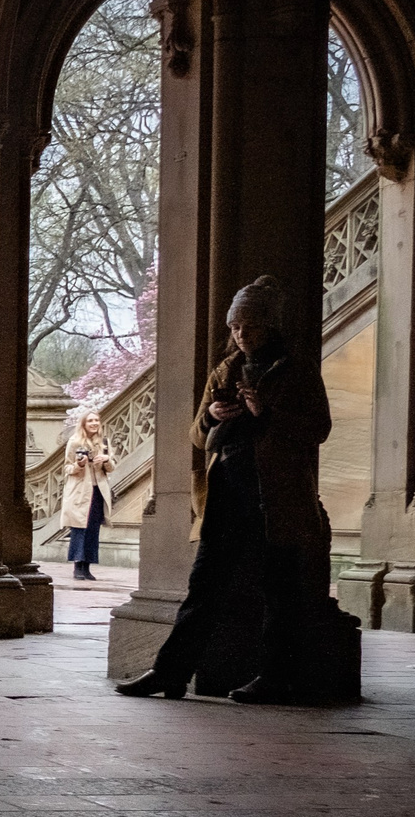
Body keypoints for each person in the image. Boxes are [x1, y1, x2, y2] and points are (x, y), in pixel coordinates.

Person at [118, 277, 333, 705]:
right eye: (235, 326)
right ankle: (170, 672)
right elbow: (197, 436)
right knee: (204, 585)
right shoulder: (226, 369)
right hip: (227, 494)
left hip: (279, 497)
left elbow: (318, 429)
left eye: (250, 325)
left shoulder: (298, 369)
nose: (241, 334)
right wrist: (215, 414)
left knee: (280, 590)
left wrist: (265, 412)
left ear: (270, 326)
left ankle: (276, 678)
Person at [61, 411, 113, 581]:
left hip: (98, 491)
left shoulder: (104, 442)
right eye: (90, 420)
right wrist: (79, 465)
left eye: (96, 420)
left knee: (93, 529)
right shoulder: (75, 442)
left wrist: (106, 459)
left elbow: (112, 467)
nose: (94, 423)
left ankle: (87, 566)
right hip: (80, 491)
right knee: (79, 527)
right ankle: (78, 565)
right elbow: (67, 468)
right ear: (83, 423)